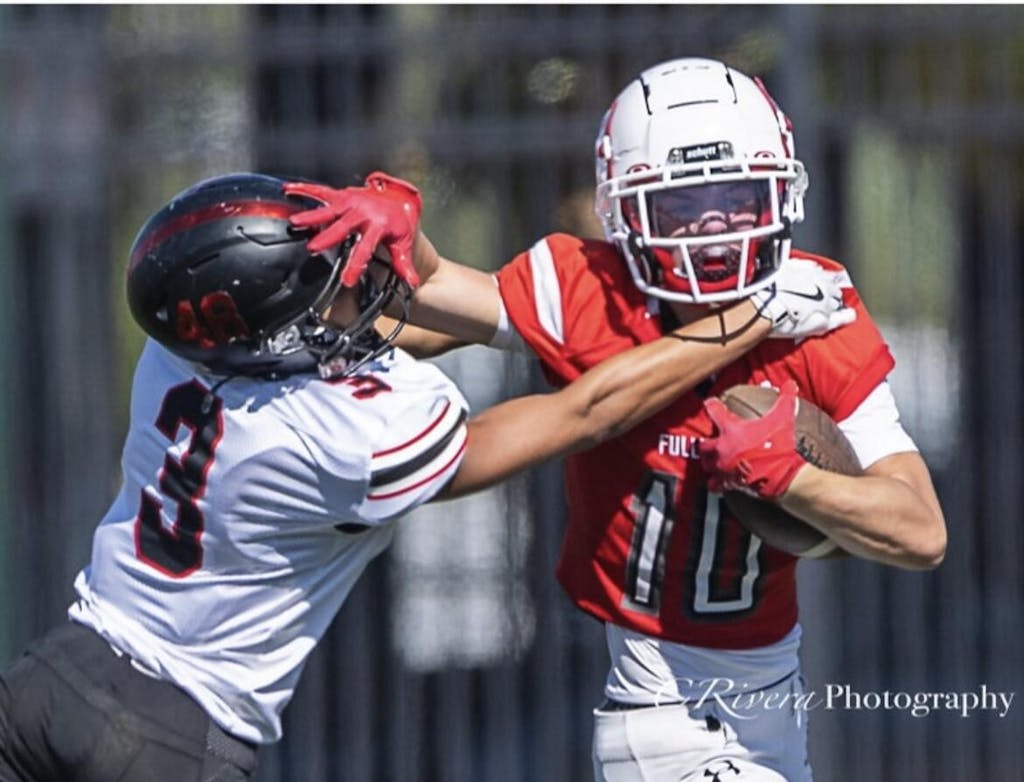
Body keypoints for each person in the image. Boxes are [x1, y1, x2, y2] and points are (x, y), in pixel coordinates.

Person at [0, 172, 851, 782]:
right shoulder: (341, 438)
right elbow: (579, 415)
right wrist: (749, 321)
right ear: (273, 336)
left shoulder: (175, 354)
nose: (345, 290)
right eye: (321, 290)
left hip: (54, 677)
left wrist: (377, 211)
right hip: (174, 737)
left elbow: (347, 321)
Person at [285, 57, 947, 781]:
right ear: (627, 211)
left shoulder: (815, 308)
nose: (717, 224)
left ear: (782, 192)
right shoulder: (590, 288)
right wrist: (404, 236)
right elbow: (438, 292)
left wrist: (796, 480)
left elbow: (920, 530)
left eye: (736, 193)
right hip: (668, 718)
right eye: (685, 204)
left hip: (774, 701)